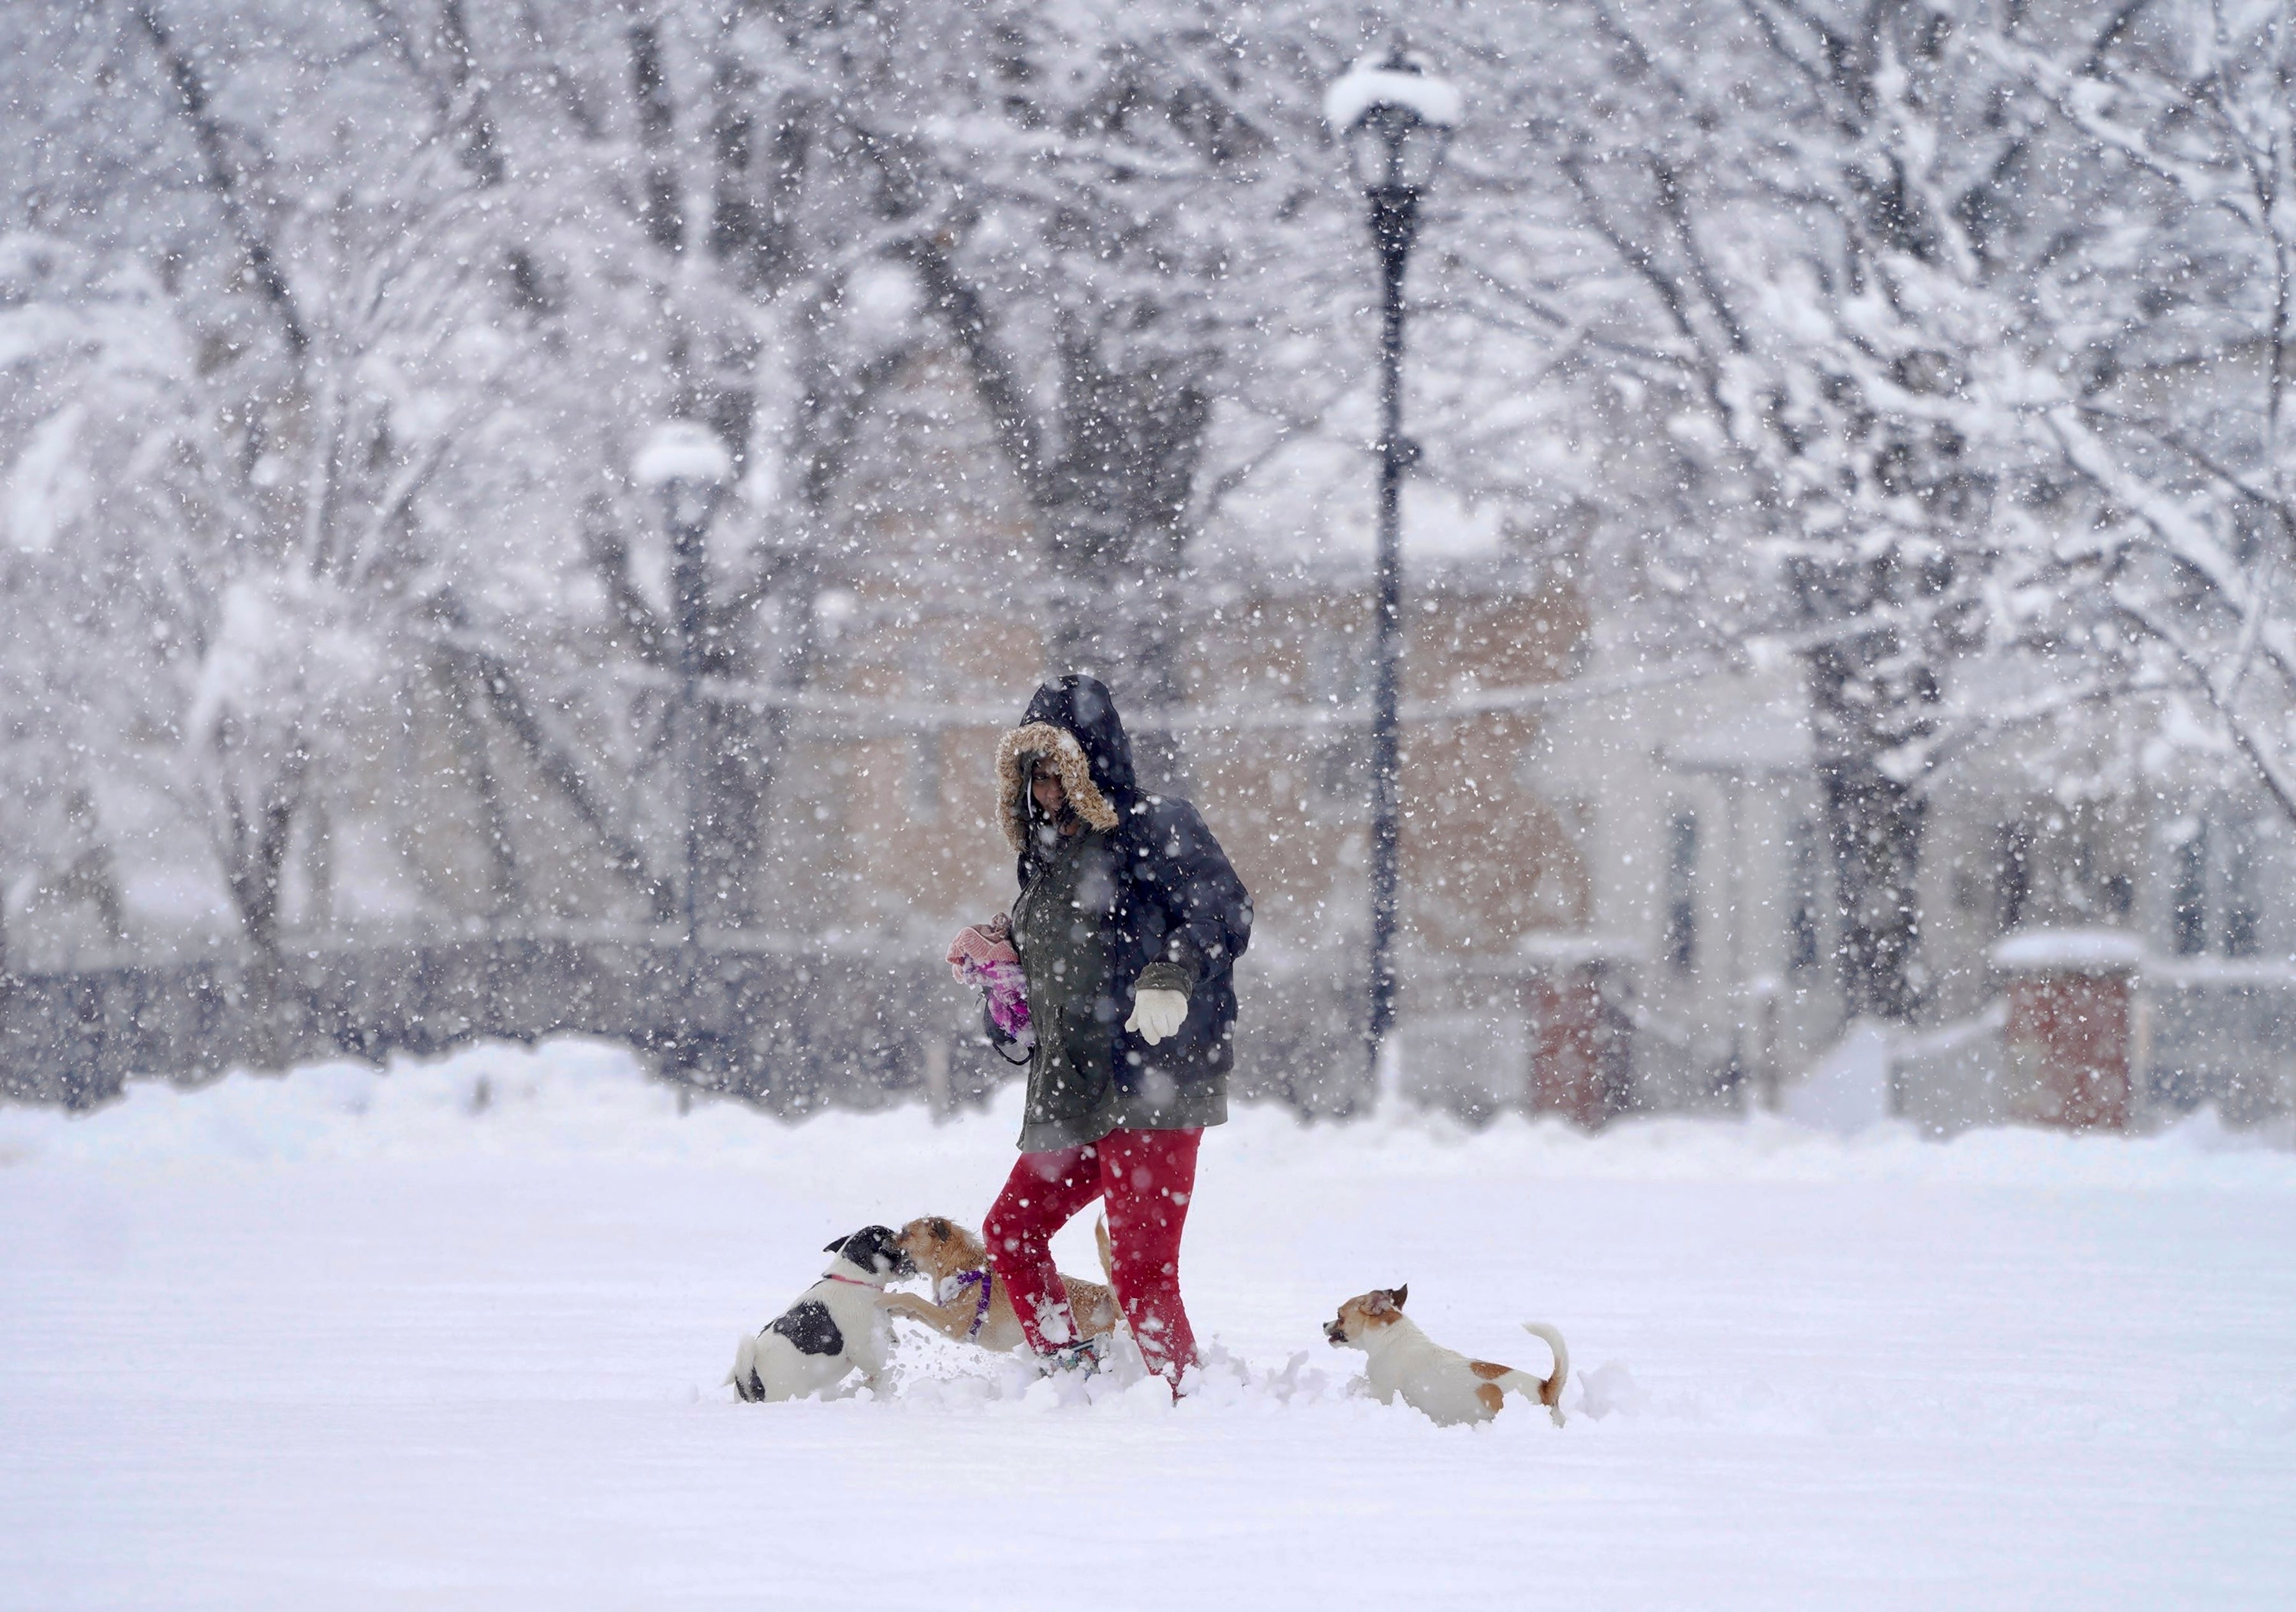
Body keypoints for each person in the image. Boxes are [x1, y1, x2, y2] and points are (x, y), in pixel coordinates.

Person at [966, 674, 1251, 1388]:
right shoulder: (1043, 863)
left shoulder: (1155, 827)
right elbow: (1049, 985)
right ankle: (1072, 1373)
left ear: (1092, 762)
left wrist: (1172, 975)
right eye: (1034, 774)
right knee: (1011, 1232)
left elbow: (1223, 910)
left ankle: (1185, 1402)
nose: (1047, 788)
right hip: (1075, 1087)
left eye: (1059, 768)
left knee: (1141, 1272)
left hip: (1152, 1082)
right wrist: (1003, 985)